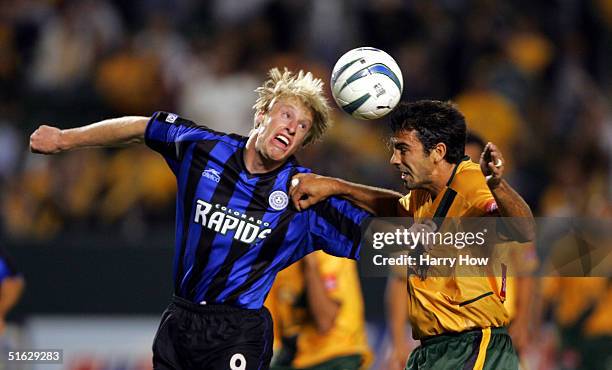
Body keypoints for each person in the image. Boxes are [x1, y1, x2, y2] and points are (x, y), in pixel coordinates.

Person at [29, 68, 374, 370]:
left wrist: (343, 187)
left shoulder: (304, 195)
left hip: (238, 331)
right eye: (287, 115)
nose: (292, 128)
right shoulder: (204, 149)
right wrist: (64, 139)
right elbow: (142, 127)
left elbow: (391, 236)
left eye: (302, 127)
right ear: (261, 114)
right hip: (180, 319)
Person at [289, 100, 535, 369]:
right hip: (435, 349)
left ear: (438, 152)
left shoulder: (471, 183)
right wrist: (335, 186)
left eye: (403, 149)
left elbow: (524, 230)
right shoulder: (423, 194)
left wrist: (498, 185)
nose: (394, 160)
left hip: (473, 346)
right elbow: (394, 207)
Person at [265, 251, 372, 370]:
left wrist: (310, 264)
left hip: (337, 355)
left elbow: (325, 322)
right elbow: (271, 337)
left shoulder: (331, 250)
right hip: (294, 357)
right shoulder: (276, 258)